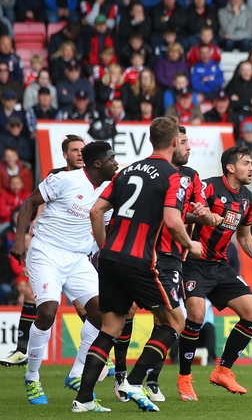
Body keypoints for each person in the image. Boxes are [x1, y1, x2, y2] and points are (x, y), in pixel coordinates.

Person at [71, 119, 202, 412]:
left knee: (110, 328)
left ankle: (84, 399)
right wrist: (191, 244)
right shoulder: (173, 176)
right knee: (175, 322)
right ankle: (134, 381)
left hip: (110, 258)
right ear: (173, 143)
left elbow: (96, 211)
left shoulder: (128, 169)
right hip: (139, 259)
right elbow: (171, 220)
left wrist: (106, 247)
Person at [7, 141, 116, 405]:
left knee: (103, 313)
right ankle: (32, 378)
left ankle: (76, 373)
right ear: (98, 163)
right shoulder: (64, 180)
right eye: (112, 158)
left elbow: (109, 226)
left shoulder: (110, 191)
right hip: (47, 251)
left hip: (79, 258)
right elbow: (29, 204)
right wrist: (20, 239)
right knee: (47, 312)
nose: (116, 162)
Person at [177, 146, 252, 401]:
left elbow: (244, 236)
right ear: (230, 168)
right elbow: (181, 214)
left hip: (220, 265)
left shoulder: (248, 199)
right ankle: (185, 378)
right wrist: (203, 217)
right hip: (194, 262)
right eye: (246, 163)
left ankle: (223, 369)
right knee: (197, 315)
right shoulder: (208, 188)